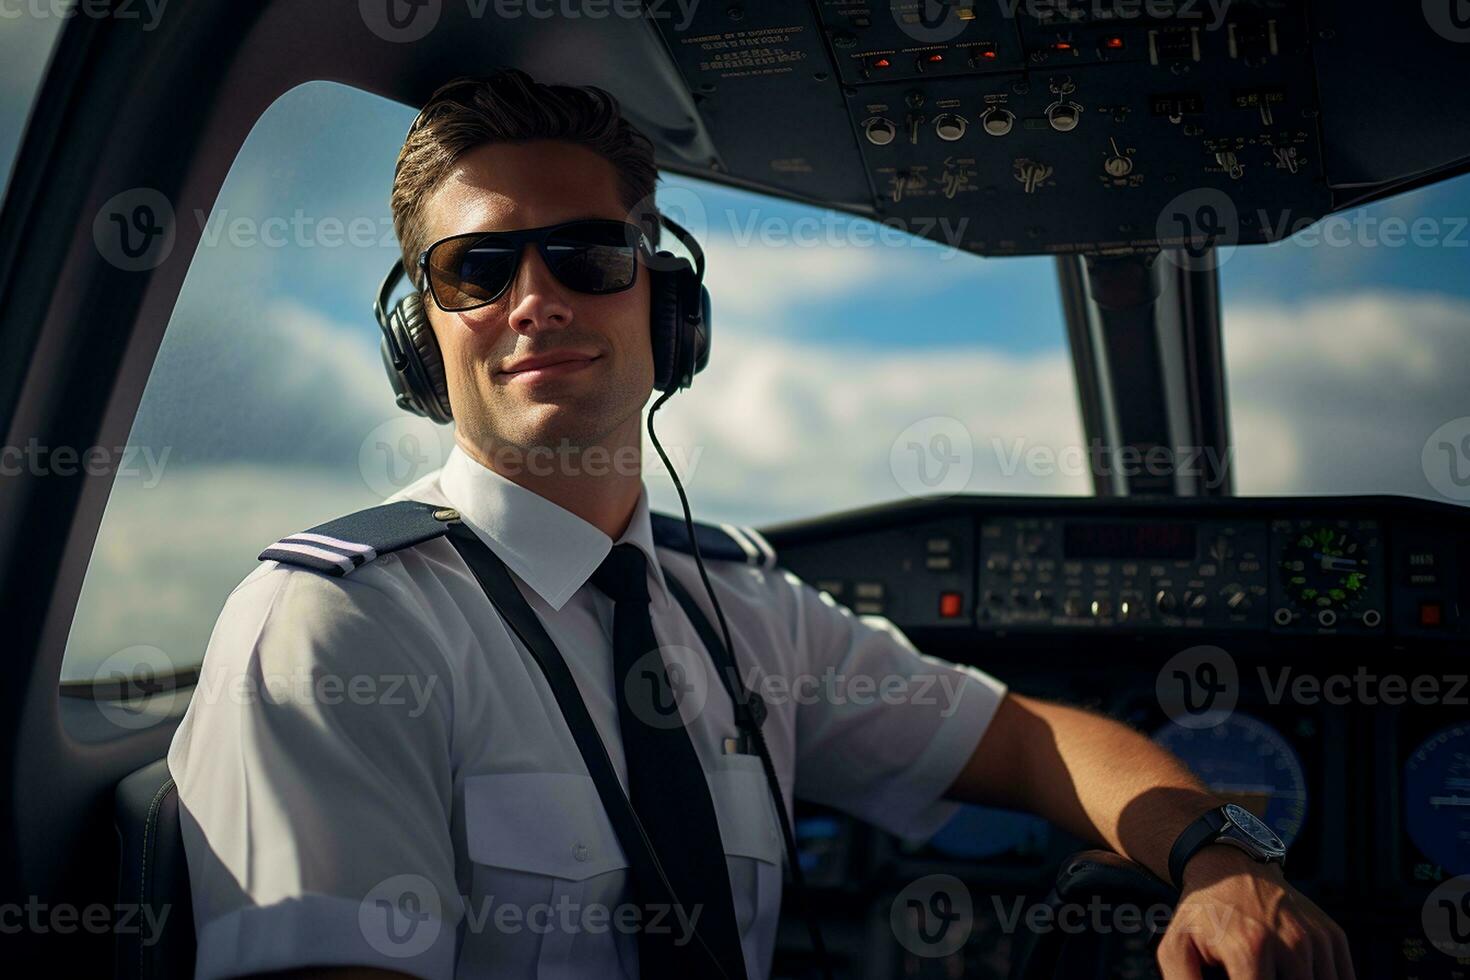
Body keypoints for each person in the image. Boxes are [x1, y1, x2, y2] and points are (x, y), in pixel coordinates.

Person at [167, 69, 1353, 980]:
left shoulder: (738, 613)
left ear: (666, 303)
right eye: (476, 269)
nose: (534, 300)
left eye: (586, 254)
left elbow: (1034, 742)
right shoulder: (335, 629)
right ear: (422, 329)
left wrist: (1224, 856)